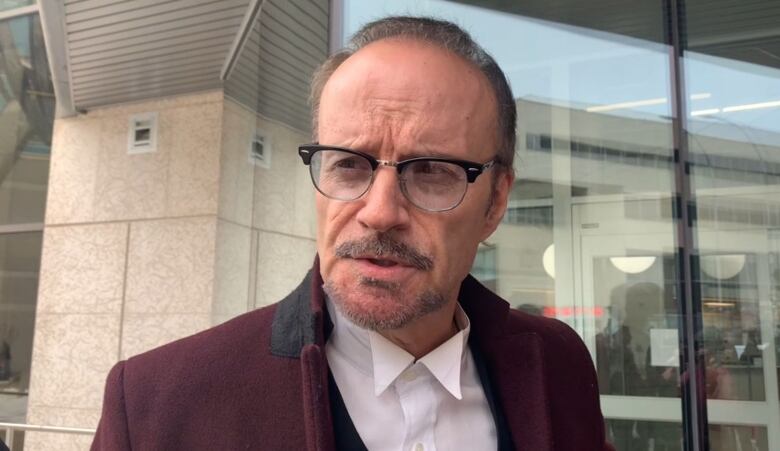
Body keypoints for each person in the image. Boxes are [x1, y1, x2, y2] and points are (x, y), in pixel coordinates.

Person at [92, 16, 612, 451]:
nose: (380, 212)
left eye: (432, 171)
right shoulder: (156, 406)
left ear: (496, 200)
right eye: (347, 165)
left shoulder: (556, 365)